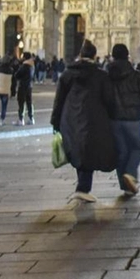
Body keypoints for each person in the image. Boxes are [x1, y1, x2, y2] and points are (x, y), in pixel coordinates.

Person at [51, 40, 117, 202]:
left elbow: (59, 99)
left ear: (80, 55)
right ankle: (83, 187)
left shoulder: (67, 74)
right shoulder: (101, 75)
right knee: (89, 149)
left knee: (77, 148)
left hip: (70, 118)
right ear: (94, 56)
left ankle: (82, 186)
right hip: (94, 119)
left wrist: (55, 121)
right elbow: (109, 99)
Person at [106, 43, 140, 196]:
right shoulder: (136, 75)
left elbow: (103, 97)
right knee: (136, 149)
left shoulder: (107, 76)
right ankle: (130, 174)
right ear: (128, 55)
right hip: (132, 119)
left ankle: (125, 186)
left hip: (114, 119)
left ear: (113, 56)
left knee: (121, 152)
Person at [14, 50, 34, 125]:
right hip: (29, 86)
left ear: (25, 57)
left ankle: (21, 119)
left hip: (23, 86)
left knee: (21, 102)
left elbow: (17, 75)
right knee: (29, 102)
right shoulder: (32, 66)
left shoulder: (24, 66)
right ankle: (31, 118)